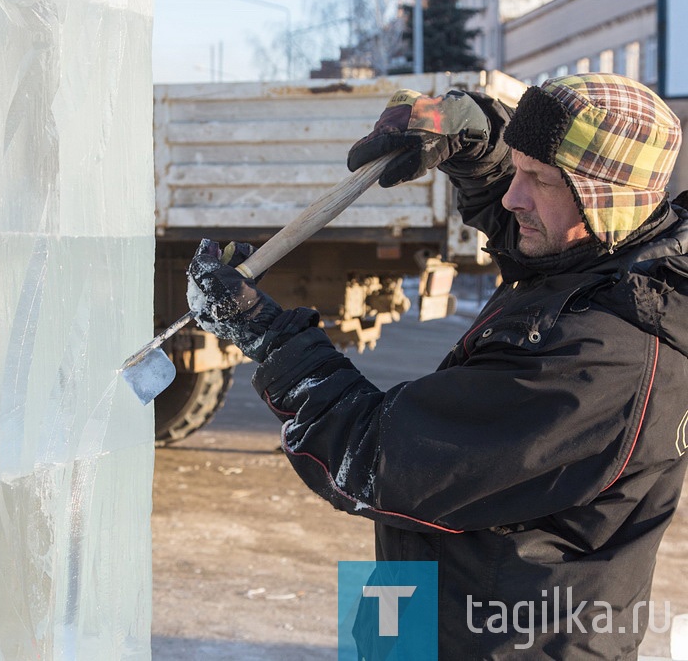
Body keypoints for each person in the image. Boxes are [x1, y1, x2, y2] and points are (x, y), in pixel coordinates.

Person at [186, 73, 687, 658]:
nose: (513, 198)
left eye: (539, 180)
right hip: (435, 612)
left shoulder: (605, 362)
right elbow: (537, 234)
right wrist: (477, 143)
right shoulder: (610, 262)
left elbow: (373, 457)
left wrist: (267, 336)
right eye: (518, 170)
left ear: (607, 201)